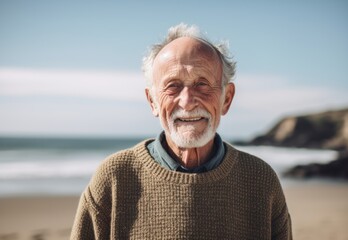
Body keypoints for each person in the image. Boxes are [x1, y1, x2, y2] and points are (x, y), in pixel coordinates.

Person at [71, 23, 292, 239]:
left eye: (202, 84)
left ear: (227, 99)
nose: (187, 102)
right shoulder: (114, 178)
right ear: (153, 102)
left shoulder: (261, 181)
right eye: (173, 86)